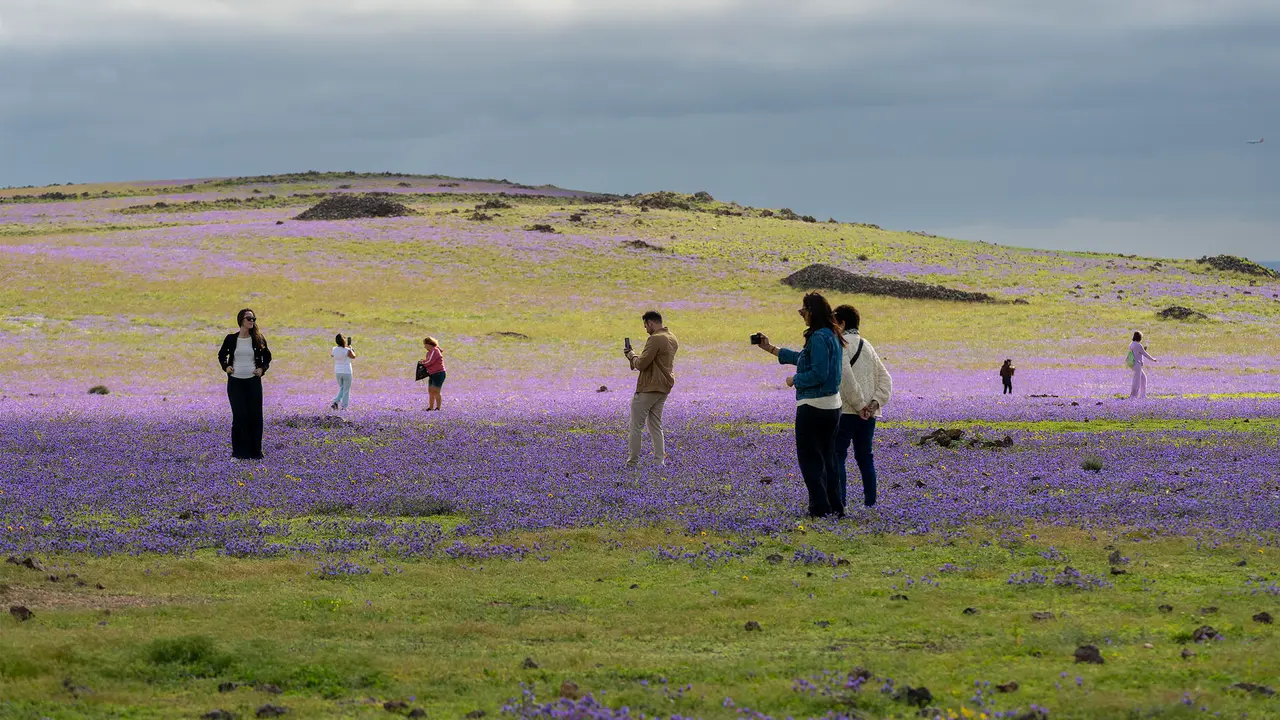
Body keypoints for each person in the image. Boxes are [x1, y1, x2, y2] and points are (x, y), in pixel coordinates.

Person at [755, 292, 846, 518]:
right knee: (828, 458)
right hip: (832, 407)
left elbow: (818, 373)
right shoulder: (832, 334)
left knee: (810, 459)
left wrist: (794, 380)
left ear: (812, 312)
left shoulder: (818, 337)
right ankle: (835, 506)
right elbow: (806, 359)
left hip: (813, 406)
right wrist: (771, 349)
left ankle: (819, 508)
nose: (801, 315)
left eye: (803, 311)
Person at [832, 304, 892, 508]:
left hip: (847, 411)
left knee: (838, 454)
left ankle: (841, 502)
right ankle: (870, 504)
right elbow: (886, 380)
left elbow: (845, 379)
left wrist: (859, 406)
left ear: (842, 323)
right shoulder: (867, 346)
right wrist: (873, 405)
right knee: (865, 457)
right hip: (869, 416)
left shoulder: (841, 345)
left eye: (834, 322)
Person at [623, 310, 679, 467]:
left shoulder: (655, 339)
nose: (645, 329)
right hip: (663, 388)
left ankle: (632, 463)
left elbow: (641, 364)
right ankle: (659, 461)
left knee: (636, 426)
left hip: (648, 388)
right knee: (656, 425)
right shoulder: (672, 338)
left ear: (651, 323)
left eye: (646, 325)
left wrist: (631, 355)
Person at [217, 309, 272, 459]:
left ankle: (255, 453)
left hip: (253, 382)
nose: (252, 321)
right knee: (240, 417)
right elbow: (222, 355)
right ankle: (238, 453)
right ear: (241, 320)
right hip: (236, 382)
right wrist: (226, 367)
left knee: (255, 417)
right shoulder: (231, 339)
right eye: (249, 318)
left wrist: (262, 369)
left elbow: (267, 357)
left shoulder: (258, 339)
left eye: (253, 318)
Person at [1127, 331, 1157, 399]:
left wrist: (1143, 350)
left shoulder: (1131, 344)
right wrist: (1153, 359)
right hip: (1137, 364)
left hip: (1133, 364)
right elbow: (1144, 354)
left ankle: (1142, 395)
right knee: (1136, 381)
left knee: (1143, 378)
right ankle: (1133, 396)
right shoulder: (1138, 345)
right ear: (1139, 338)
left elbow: (1137, 353)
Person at [330, 334, 356, 411]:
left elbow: (332, 355)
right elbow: (353, 356)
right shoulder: (347, 350)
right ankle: (343, 406)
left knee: (342, 388)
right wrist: (350, 348)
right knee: (346, 389)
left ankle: (335, 403)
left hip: (338, 371)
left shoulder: (334, 349)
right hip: (347, 371)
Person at [421, 336, 447, 411]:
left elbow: (430, 362)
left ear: (429, 344)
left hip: (439, 373)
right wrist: (423, 362)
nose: (424, 347)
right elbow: (427, 361)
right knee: (431, 391)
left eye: (425, 345)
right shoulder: (428, 353)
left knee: (436, 391)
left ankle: (438, 408)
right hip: (432, 374)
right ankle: (431, 407)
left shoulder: (435, 351)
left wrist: (423, 363)